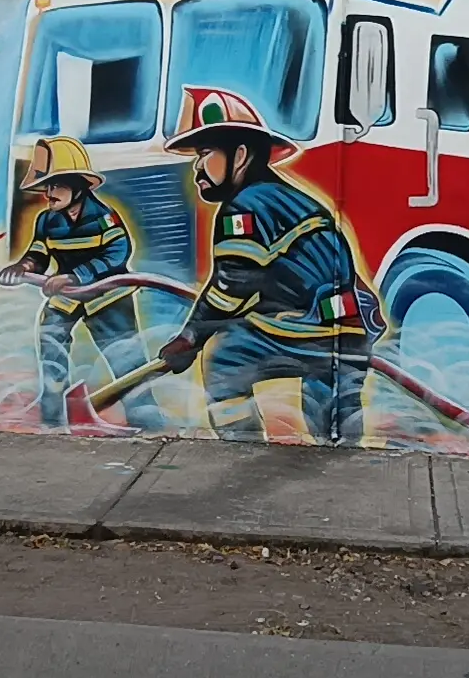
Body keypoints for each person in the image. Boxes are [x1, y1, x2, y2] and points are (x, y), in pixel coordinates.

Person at [158, 86, 384, 441]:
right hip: (347, 333)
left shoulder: (246, 206)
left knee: (225, 361)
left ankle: (243, 446)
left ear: (241, 153)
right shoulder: (290, 199)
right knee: (335, 423)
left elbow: (232, 287)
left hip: (305, 332)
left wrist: (190, 338)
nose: (197, 168)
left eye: (205, 153)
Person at [0, 137, 161, 431]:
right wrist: (24, 266)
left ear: (78, 186)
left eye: (55, 185)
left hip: (106, 297)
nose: (48, 194)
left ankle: (150, 426)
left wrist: (76, 276)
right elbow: (39, 252)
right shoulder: (48, 221)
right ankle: (53, 424)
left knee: (127, 364)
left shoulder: (103, 218)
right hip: (67, 295)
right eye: (46, 186)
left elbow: (117, 254)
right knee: (51, 347)